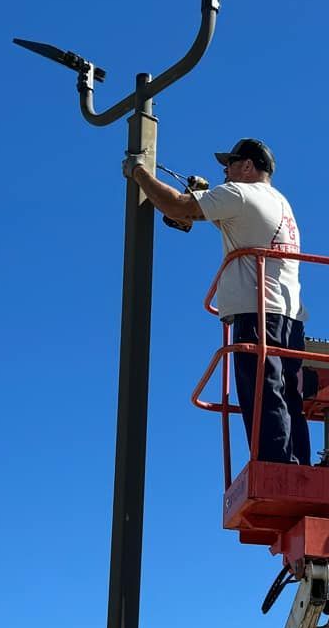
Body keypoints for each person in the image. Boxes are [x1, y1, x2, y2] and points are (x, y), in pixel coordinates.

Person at [125, 137, 311, 467]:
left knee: (261, 394)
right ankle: (296, 468)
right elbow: (229, 219)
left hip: (258, 314)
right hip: (288, 317)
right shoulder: (278, 201)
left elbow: (179, 207)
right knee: (285, 395)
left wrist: (139, 172)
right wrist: (205, 197)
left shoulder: (239, 193)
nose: (225, 170)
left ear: (248, 166)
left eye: (230, 163)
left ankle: (275, 470)